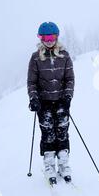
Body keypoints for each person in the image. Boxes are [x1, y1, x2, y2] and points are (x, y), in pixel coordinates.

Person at [27, 22, 75, 185]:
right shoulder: (35, 58)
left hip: (61, 102)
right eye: (45, 37)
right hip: (44, 104)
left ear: (57, 37)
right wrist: (33, 98)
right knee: (48, 135)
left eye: (52, 37)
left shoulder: (65, 56)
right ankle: (49, 167)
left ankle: (63, 165)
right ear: (40, 38)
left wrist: (68, 96)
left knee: (62, 132)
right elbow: (32, 82)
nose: (49, 41)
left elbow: (69, 79)